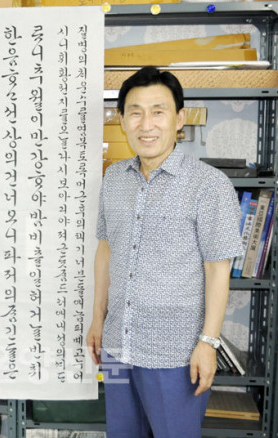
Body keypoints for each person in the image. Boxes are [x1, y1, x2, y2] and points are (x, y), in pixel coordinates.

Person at [86, 66, 244, 437]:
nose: (147, 124)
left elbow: (217, 270)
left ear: (179, 119)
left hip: (176, 353)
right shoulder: (114, 178)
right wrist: (97, 318)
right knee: (121, 433)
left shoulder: (209, 185)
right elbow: (105, 251)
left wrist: (208, 343)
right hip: (117, 345)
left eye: (158, 112)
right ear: (122, 119)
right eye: (135, 112)